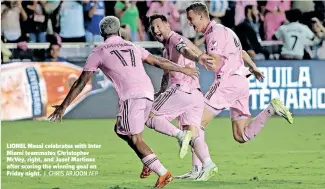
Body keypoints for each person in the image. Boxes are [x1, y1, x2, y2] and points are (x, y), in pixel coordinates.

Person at [48, 16, 199, 188]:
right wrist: (182, 68)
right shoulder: (132, 46)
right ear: (119, 31)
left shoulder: (99, 51)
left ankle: (163, 173)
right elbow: (158, 61)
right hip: (148, 92)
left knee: (134, 138)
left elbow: (81, 82)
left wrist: (63, 106)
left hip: (132, 96)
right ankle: (148, 159)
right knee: (121, 129)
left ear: (101, 34)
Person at [176, 2, 294, 179]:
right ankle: (271, 108)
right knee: (241, 135)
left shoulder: (213, 33)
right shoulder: (226, 30)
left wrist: (194, 52)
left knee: (194, 122)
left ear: (202, 16)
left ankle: (201, 168)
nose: (190, 23)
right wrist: (253, 68)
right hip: (242, 81)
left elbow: (214, 63)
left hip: (227, 83)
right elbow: (242, 53)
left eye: (191, 19)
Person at [139, 14, 217, 181]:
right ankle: (205, 166)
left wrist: (195, 59)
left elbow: (184, 49)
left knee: (148, 114)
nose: (155, 30)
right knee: (194, 132)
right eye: (153, 28)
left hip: (182, 89)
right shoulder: (166, 47)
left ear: (167, 24)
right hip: (195, 94)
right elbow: (167, 70)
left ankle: (179, 136)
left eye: (158, 26)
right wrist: (161, 89)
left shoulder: (174, 39)